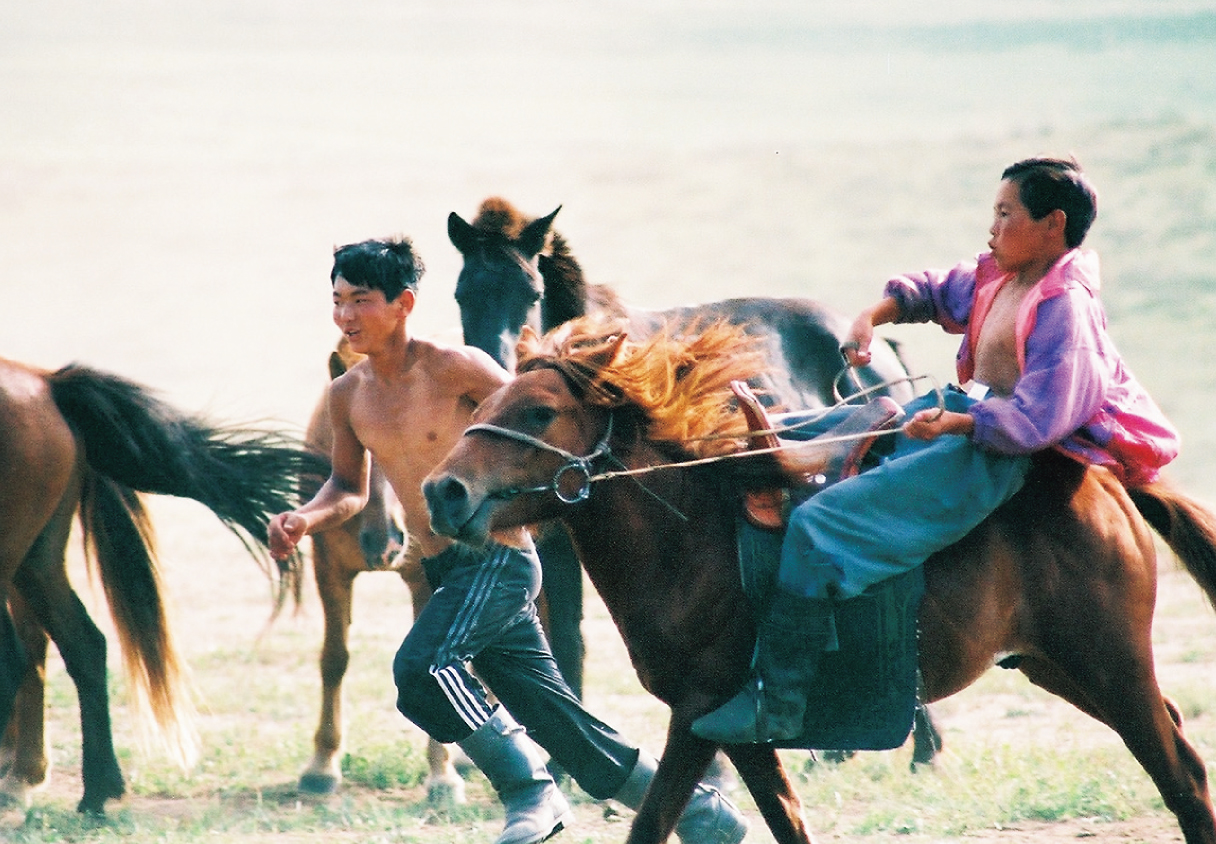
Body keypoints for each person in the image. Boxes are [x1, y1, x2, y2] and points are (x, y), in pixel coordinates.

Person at [268, 237, 748, 844]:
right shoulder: (348, 395)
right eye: (337, 301)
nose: (344, 317)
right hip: (444, 568)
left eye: (360, 301)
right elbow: (348, 485)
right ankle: (703, 815)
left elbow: (534, 412)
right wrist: (305, 519)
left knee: (421, 671)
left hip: (498, 559)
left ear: (403, 303)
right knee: (561, 722)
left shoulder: (455, 366)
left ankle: (530, 793)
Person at [692, 156, 1181, 745]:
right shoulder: (1004, 272)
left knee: (822, 522)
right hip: (957, 416)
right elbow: (936, 291)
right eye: (994, 214)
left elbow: (1039, 419)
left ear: (1053, 225)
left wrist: (955, 425)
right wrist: (873, 317)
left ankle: (781, 700)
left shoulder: (1064, 308)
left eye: (1006, 214)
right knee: (799, 431)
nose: (992, 229)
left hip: (991, 455)